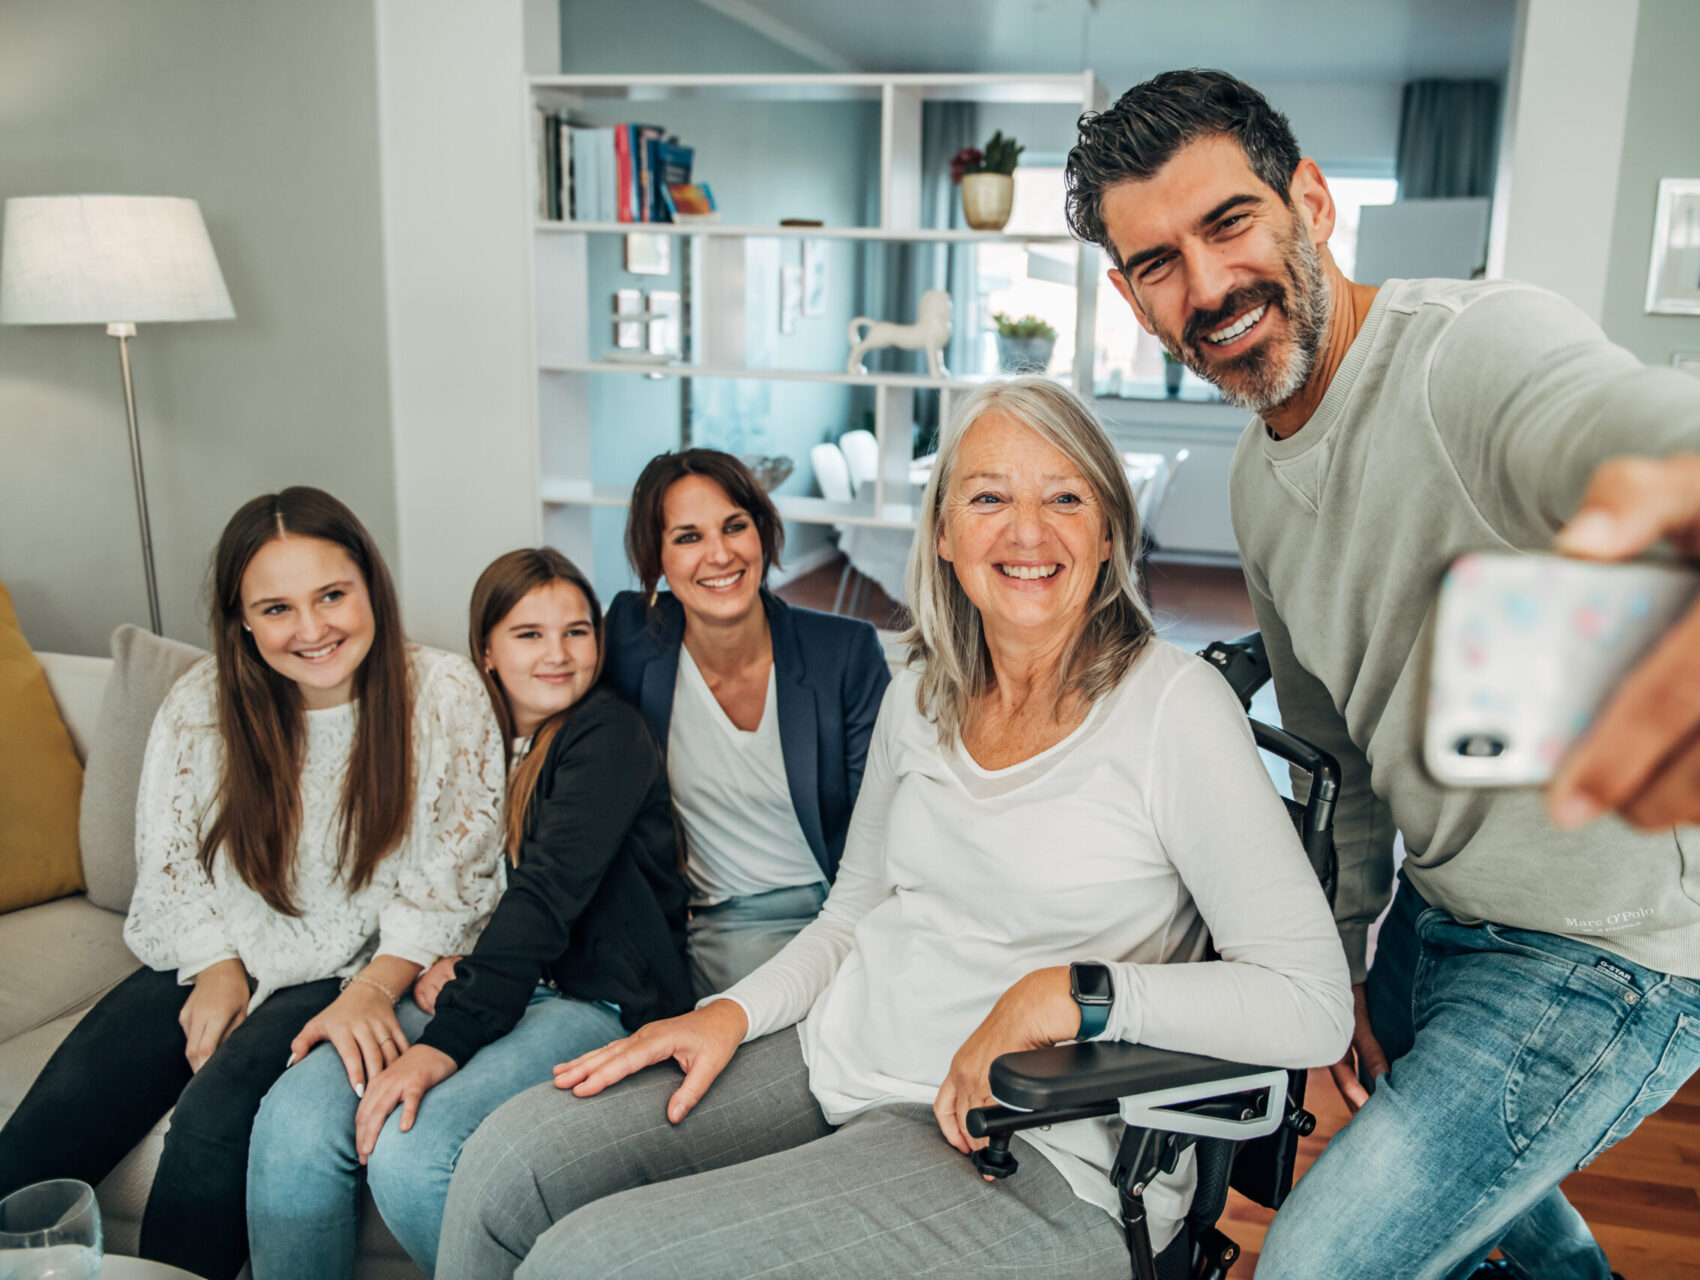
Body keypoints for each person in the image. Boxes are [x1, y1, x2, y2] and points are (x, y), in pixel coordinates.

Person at [1063, 69, 1700, 1280]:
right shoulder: (1261, 479)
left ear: (1310, 201)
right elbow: (1336, 758)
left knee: (1318, 1262)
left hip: (1619, 947)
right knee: (1484, 1212)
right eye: (1157, 263)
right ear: (1128, 294)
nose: (1205, 287)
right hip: (1448, 913)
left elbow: (1622, 425)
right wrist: (1337, 957)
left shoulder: (1467, 354)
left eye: (1230, 222)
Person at [433, 378, 1353, 1279]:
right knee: (511, 1169)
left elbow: (1311, 1005)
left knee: (592, 1263)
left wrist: (1071, 995)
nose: (1028, 532)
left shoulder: (1175, 708)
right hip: (846, 1046)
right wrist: (729, 1012)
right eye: (989, 497)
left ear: (1107, 529)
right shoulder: (921, 689)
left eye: (1064, 496)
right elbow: (853, 912)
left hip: (1035, 1142)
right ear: (945, 534)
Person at [0, 487, 504, 1280]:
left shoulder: (442, 693)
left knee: (215, 1116)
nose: (311, 629)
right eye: (276, 609)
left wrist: (375, 988)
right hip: (228, 942)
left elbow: (458, 874)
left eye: (332, 595)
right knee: (59, 1114)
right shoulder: (203, 702)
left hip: (355, 964)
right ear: (241, 617)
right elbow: (169, 859)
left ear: (370, 584)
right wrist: (215, 965)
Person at [246, 547, 694, 1277]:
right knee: (293, 1119)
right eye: (529, 634)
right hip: (489, 983)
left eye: (577, 632)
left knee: (416, 1150)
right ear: (485, 649)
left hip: (596, 997)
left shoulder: (606, 736)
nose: (558, 654)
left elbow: (544, 895)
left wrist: (442, 1042)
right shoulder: (459, 731)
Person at [600, 448, 892, 996]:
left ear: (763, 533)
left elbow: (884, 821)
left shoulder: (843, 653)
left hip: (847, 908)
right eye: (688, 537)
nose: (719, 554)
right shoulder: (630, 640)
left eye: (735, 526)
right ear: (655, 557)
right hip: (727, 925)